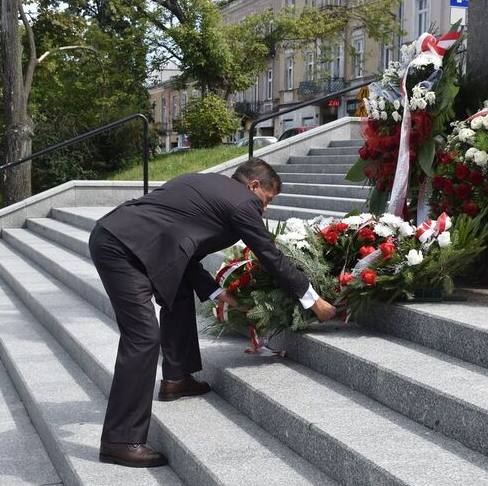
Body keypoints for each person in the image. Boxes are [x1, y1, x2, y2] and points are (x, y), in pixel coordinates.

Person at [89, 159, 338, 467]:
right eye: (267, 200)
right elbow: (269, 254)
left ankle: (177, 378)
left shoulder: (204, 185)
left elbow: (186, 254)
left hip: (123, 238)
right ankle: (120, 440)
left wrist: (220, 293)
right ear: (254, 186)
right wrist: (312, 299)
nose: (265, 209)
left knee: (177, 292)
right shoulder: (242, 202)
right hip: (123, 249)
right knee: (142, 338)